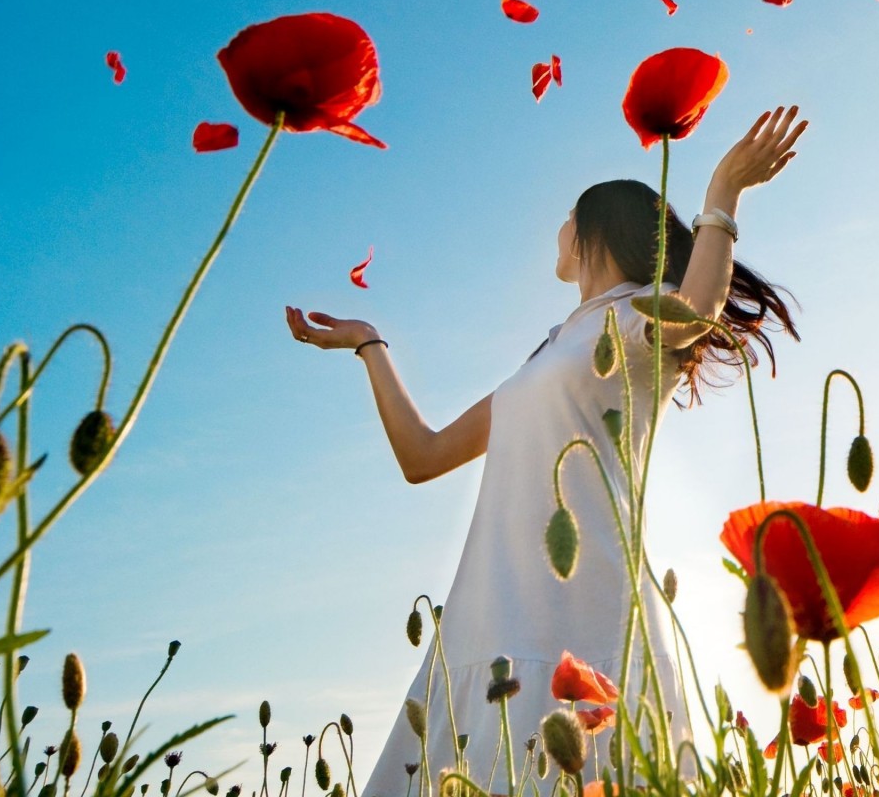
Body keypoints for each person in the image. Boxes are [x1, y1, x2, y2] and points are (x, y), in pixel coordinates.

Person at [284, 107, 806, 796]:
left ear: (597, 230)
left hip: (583, 611)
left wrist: (722, 194)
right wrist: (368, 345)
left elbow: (698, 310)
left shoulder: (640, 313)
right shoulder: (548, 353)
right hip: (485, 615)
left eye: (568, 217)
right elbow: (424, 454)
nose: (557, 231)